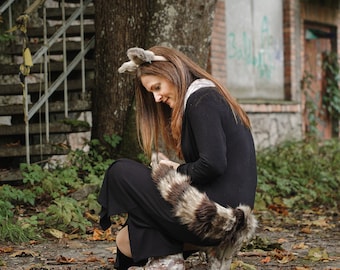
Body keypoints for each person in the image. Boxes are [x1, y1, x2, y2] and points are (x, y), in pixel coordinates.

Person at [98, 46, 257, 270]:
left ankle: (156, 262)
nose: (156, 98)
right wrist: (177, 169)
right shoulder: (208, 97)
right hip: (227, 218)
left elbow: (213, 164)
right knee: (134, 224)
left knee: (120, 171)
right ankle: (163, 261)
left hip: (217, 217)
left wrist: (176, 172)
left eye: (157, 87)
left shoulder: (201, 99)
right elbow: (213, 164)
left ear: (172, 72)